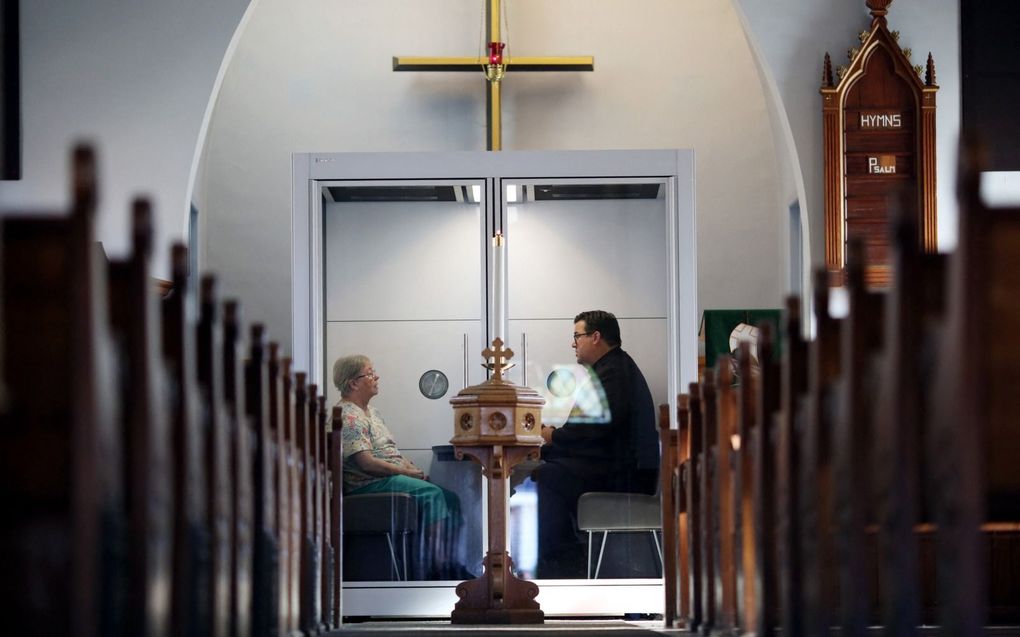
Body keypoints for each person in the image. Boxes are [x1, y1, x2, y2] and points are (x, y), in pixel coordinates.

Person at [531, 310, 659, 578]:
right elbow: (589, 432)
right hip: (614, 465)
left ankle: (562, 566)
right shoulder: (612, 368)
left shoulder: (613, 373)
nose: (573, 343)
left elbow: (592, 432)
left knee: (545, 476)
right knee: (546, 469)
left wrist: (551, 437)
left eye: (577, 336)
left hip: (626, 474)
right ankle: (560, 560)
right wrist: (551, 442)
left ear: (596, 337)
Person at [333, 354, 470, 581]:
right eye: (369, 373)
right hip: (367, 484)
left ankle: (451, 562)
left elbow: (389, 451)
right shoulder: (348, 415)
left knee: (451, 498)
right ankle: (436, 569)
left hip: (387, 477)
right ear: (353, 383)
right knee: (432, 495)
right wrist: (406, 473)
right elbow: (365, 462)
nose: (376, 376)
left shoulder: (373, 413)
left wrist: (410, 467)